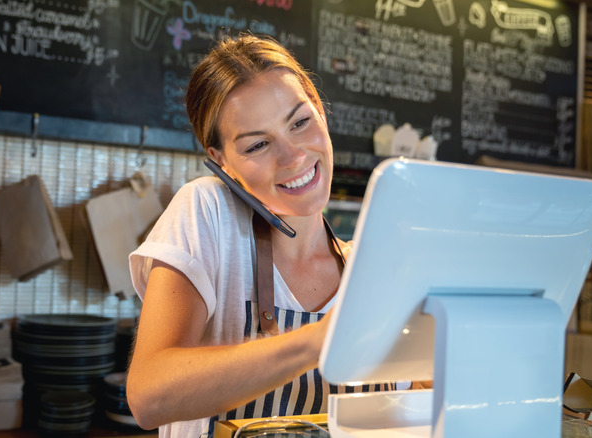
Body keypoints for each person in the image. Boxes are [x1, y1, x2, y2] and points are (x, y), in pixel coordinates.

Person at [126, 34, 394, 438]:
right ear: (222, 162)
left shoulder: (375, 269)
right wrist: (318, 341)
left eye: (301, 122)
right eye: (257, 145)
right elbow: (149, 397)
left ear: (321, 112)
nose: (294, 157)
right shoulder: (208, 212)